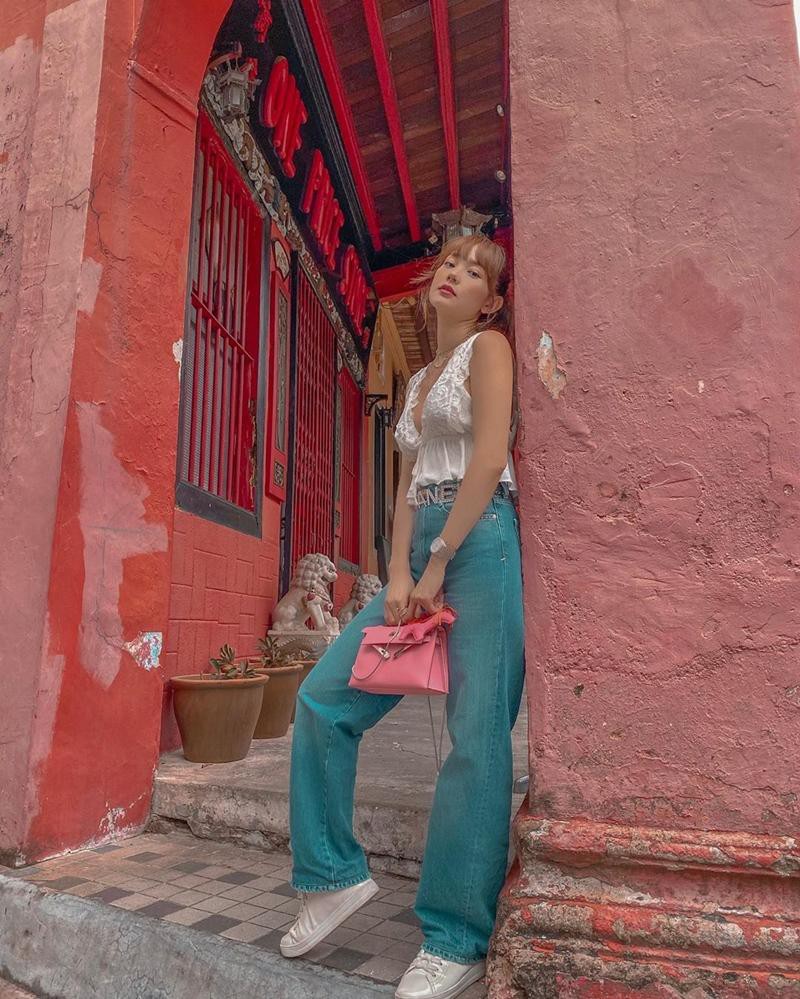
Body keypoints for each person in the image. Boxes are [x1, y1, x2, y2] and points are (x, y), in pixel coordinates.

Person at [281, 234, 525, 999]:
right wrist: (396, 572)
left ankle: (456, 936)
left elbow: (489, 457)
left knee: (475, 735)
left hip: (479, 543)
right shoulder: (418, 380)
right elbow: (408, 486)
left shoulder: (490, 349)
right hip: (420, 550)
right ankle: (331, 874)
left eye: (474, 270)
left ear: (490, 299)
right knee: (323, 699)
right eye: (449, 262)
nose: (455, 273)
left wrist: (439, 562)